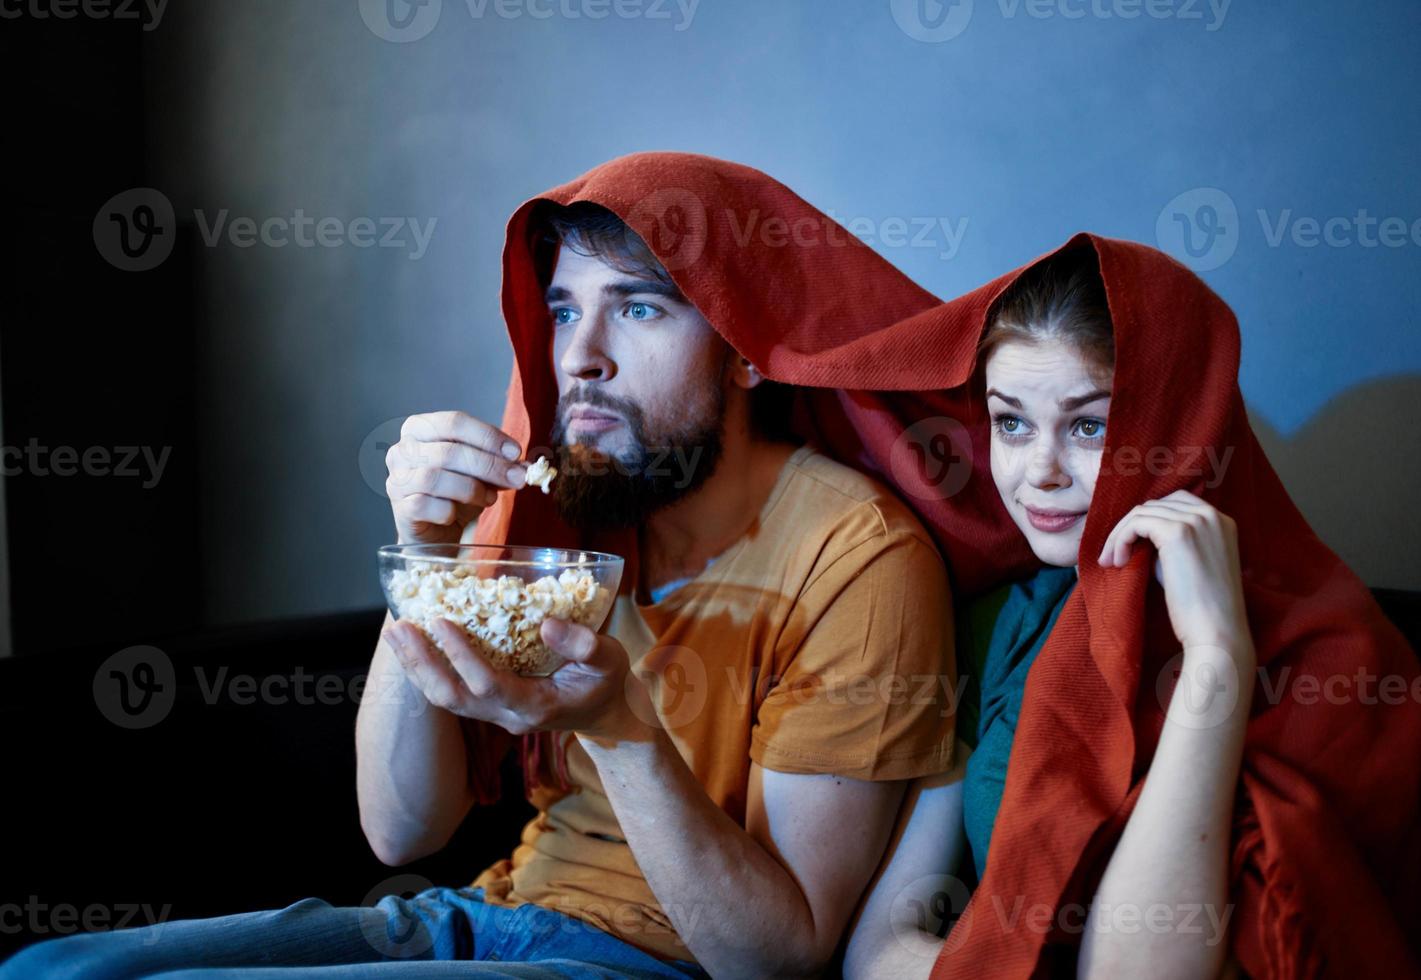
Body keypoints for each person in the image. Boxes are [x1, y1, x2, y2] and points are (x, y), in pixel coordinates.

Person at [1, 152, 963, 979]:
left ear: (749, 349)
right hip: (476, 916)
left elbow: (774, 957)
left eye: (637, 308)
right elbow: (401, 832)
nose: (579, 357)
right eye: (561, 310)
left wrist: (620, 732)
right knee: (50, 964)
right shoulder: (567, 512)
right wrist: (423, 556)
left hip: (632, 961)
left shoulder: (855, 556)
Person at [841, 237, 1421, 979]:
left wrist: (1216, 661)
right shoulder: (1012, 617)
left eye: (1088, 425)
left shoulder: (1333, 664)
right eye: (1011, 422)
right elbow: (871, 950)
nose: (1039, 473)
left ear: (1177, 426)